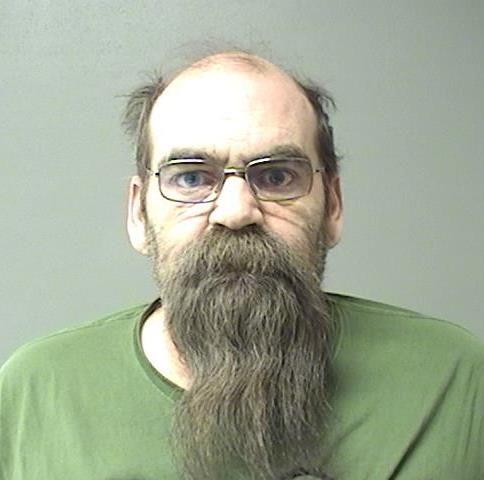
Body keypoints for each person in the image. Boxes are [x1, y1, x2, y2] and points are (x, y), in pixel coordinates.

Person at [1, 50, 483, 480]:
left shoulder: (453, 380)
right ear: (138, 212)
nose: (235, 212)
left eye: (277, 177)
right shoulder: (35, 391)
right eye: (191, 178)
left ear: (332, 205)